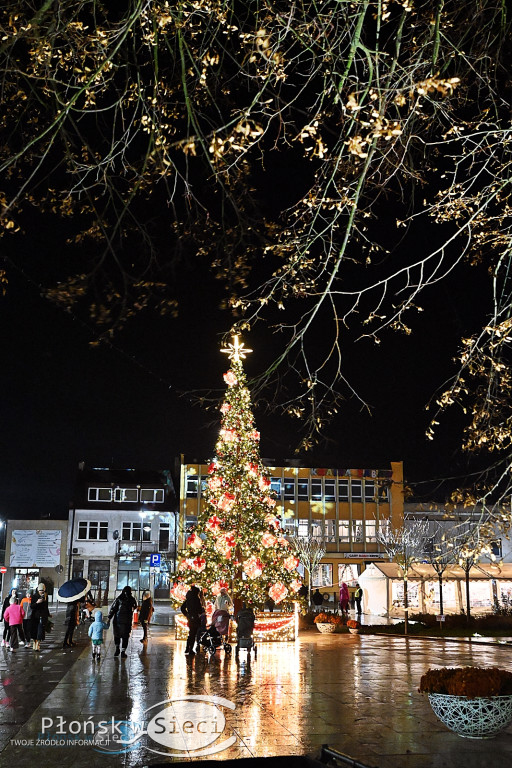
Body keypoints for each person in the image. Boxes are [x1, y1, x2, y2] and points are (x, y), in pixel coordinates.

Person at [108, 586, 137, 658]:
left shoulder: (119, 598)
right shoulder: (132, 599)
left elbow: (113, 609)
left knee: (117, 635)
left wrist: (109, 617)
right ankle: (123, 652)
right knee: (125, 637)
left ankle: (117, 648)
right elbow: (135, 606)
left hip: (117, 620)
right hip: (127, 621)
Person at [181, 585, 205, 656]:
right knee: (193, 634)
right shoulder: (196, 599)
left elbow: (182, 608)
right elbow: (199, 610)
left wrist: (187, 614)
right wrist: (202, 610)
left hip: (190, 618)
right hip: (195, 618)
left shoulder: (188, 599)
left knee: (190, 633)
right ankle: (191, 649)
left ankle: (187, 648)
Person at [30, 583, 51, 651]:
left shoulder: (45, 596)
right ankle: (34, 642)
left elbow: (46, 606)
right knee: (34, 631)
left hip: (42, 616)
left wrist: (48, 614)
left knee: (40, 631)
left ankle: (38, 644)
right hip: (35, 616)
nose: (42, 592)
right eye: (40, 590)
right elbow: (31, 606)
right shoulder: (34, 596)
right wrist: (37, 602)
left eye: (43, 590)